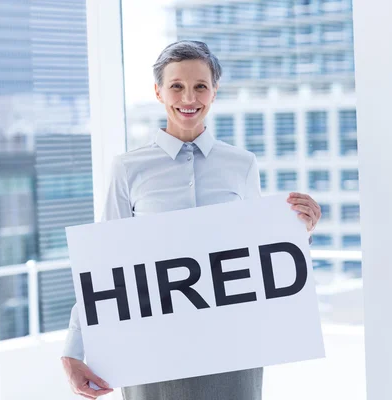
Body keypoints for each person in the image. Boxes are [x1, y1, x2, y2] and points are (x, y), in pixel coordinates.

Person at [61, 40, 322, 400]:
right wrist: (74, 351)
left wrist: (298, 232)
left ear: (214, 92)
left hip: (231, 346)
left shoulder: (241, 164)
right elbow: (102, 265)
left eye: (200, 86)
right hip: (153, 347)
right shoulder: (128, 169)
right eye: (177, 86)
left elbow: (259, 254)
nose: (189, 97)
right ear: (158, 92)